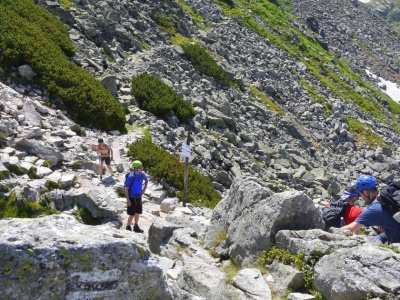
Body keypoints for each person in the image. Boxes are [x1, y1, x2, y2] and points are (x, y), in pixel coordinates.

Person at [341, 175, 400, 244]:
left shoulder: (374, 209)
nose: (361, 198)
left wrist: (328, 234)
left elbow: (351, 228)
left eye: (361, 195)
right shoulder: (387, 199)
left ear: (366, 192)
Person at [125, 160, 148, 233]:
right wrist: (128, 199)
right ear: (135, 169)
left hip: (138, 197)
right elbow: (126, 188)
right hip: (131, 197)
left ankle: (136, 226)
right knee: (132, 214)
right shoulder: (131, 176)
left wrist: (144, 189)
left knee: (137, 212)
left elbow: (146, 180)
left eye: (142, 167)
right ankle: (128, 226)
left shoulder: (142, 174)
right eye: (140, 168)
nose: (142, 169)